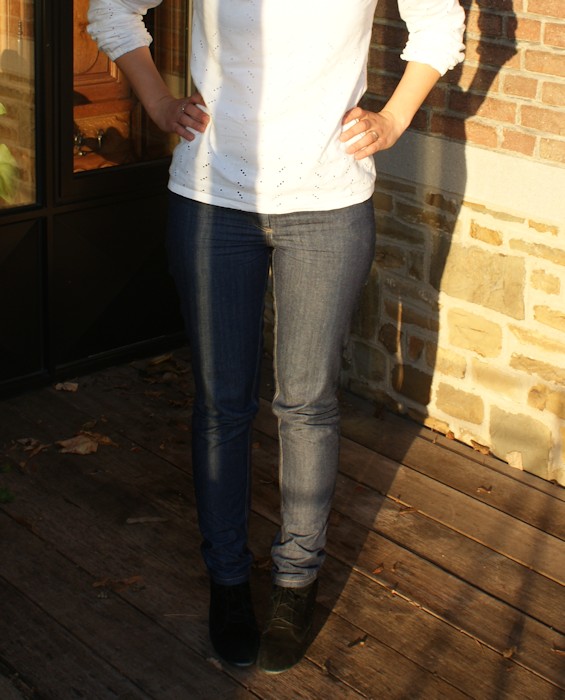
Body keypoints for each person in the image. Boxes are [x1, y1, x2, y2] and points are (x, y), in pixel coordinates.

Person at [88, 0, 465, 674]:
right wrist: (158, 104)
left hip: (327, 204)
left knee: (307, 403)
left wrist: (393, 119)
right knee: (221, 404)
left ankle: (296, 579)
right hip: (212, 201)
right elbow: (113, 8)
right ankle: (228, 580)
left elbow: (439, 22)